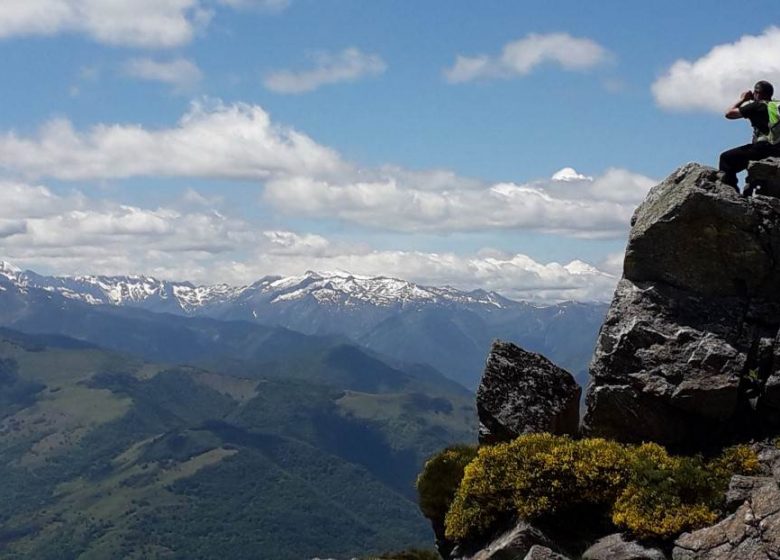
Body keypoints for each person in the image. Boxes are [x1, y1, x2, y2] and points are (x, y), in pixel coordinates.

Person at [719, 80, 780, 194]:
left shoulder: (757, 106)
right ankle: (753, 186)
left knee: (726, 158)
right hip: (778, 149)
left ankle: (730, 192)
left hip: (764, 148)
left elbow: (729, 114)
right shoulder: (776, 106)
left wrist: (743, 99)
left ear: (757, 93)